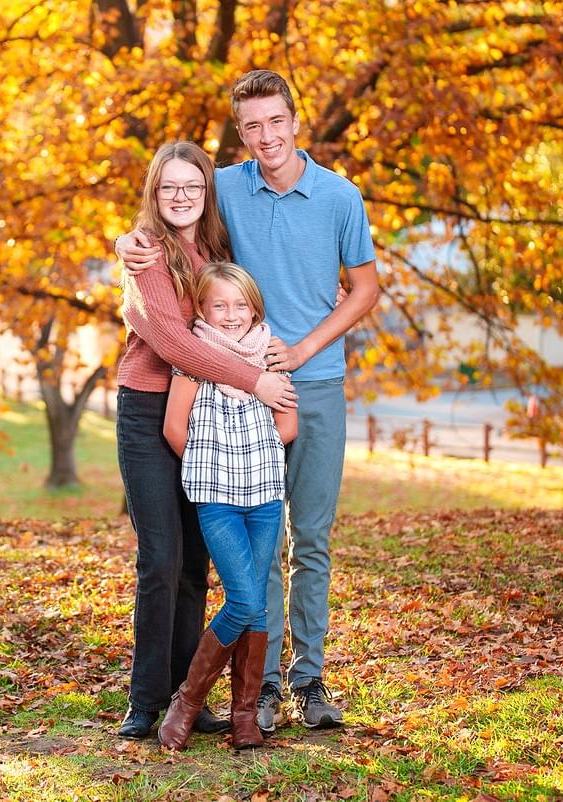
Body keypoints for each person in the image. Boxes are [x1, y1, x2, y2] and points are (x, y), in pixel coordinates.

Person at [117, 70, 380, 731]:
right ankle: (252, 690)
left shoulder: (341, 198)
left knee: (309, 539)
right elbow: (164, 212)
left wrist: (300, 350)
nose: (266, 136)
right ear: (241, 132)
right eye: (252, 125)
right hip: (232, 394)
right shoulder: (224, 188)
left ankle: (309, 682)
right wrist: (125, 245)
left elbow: (366, 290)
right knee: (247, 541)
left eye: (276, 121)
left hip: (311, 383)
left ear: (297, 121)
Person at [115, 140, 297, 740]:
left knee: (196, 563)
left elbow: (238, 313)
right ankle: (148, 699)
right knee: (161, 558)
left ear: (206, 192)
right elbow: (174, 344)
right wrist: (256, 380)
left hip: (211, 420)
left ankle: (190, 694)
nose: (182, 196)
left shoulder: (215, 250)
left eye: (192, 186)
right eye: (169, 187)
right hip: (149, 412)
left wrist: (269, 360)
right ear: (154, 192)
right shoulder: (145, 257)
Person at [157, 262, 297, 751]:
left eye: (240, 305)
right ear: (202, 309)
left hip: (263, 496)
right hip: (216, 497)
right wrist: (213, 464)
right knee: (244, 599)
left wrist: (256, 454)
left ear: (255, 308)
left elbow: (289, 426)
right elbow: (176, 428)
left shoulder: (271, 358)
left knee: (254, 601)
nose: (231, 314)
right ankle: (187, 702)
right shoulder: (193, 359)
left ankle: (243, 716)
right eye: (220, 305)